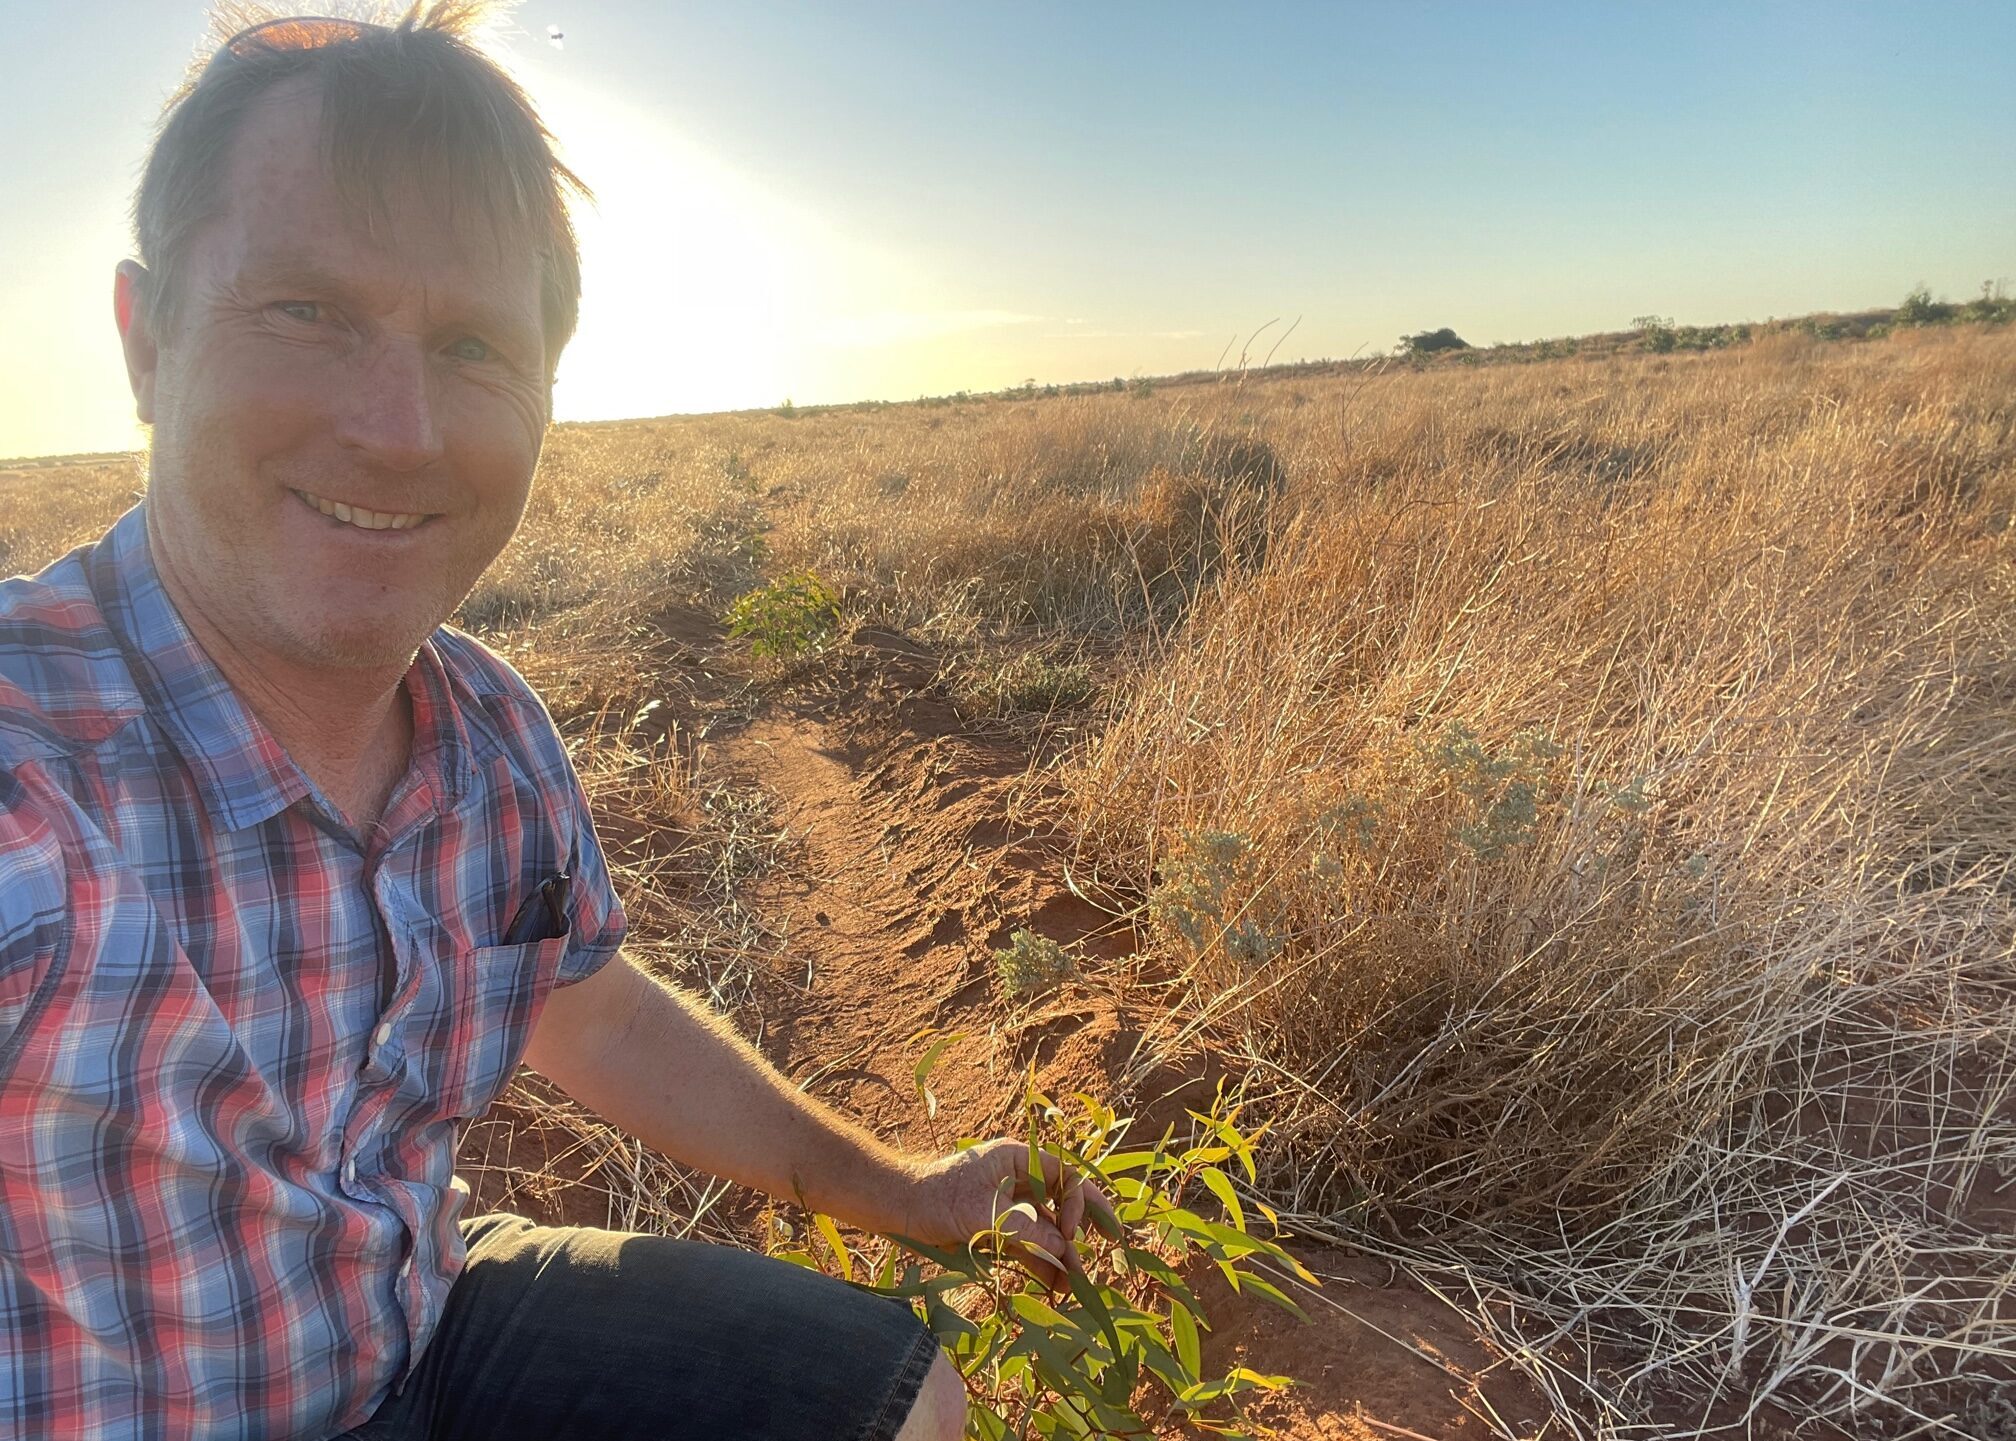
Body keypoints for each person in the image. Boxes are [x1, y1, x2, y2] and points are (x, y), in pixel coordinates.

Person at [0, 6, 1107, 1437]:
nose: (396, 426)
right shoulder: (32, 768)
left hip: (420, 1323)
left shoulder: (486, 734)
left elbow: (591, 1010)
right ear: (147, 341)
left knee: (896, 1393)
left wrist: (899, 1187)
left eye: (468, 343)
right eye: (307, 311)